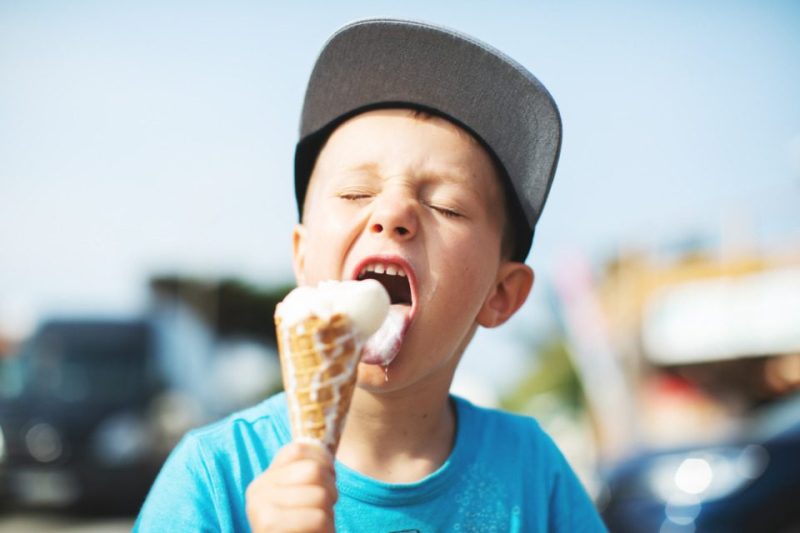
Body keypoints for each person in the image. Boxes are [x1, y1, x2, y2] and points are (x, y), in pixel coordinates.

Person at [134, 18, 608, 532]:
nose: (394, 212)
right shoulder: (215, 475)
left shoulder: (533, 474)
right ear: (302, 256)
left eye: (446, 205)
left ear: (500, 294)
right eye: (356, 193)